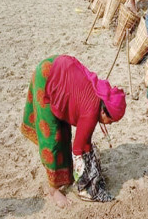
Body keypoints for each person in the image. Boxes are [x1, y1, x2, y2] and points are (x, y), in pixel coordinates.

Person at [21, 55, 126, 208]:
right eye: (112, 121)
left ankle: (64, 173)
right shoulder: (91, 113)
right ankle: (53, 189)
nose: (110, 124)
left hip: (60, 70)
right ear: (104, 112)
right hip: (47, 77)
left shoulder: (99, 95)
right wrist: (84, 175)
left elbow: (86, 140)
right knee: (53, 138)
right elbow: (78, 148)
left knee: (64, 131)